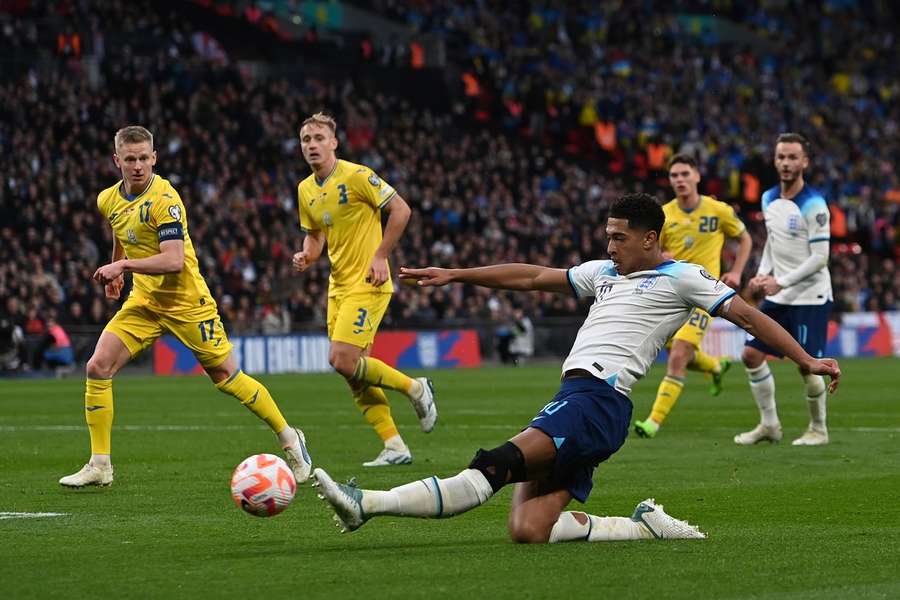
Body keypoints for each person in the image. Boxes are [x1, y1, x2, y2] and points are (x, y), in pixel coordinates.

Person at [313, 193, 840, 544]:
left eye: (619, 237)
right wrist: (458, 274)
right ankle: (641, 529)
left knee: (493, 466)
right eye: (608, 236)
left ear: (649, 239)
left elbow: (747, 315)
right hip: (585, 403)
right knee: (527, 528)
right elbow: (532, 277)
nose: (609, 245)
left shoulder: (684, 278)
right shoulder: (603, 273)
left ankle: (367, 505)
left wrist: (806, 359)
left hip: (596, 402)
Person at [59, 126, 312, 488]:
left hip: (187, 302)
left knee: (227, 379)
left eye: (144, 158)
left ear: (154, 158)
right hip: (145, 301)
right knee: (97, 367)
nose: (137, 166)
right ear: (117, 161)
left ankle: (290, 438)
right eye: (129, 159)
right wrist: (117, 267)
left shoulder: (166, 200)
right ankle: (100, 464)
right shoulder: (107, 199)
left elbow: (174, 260)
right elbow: (121, 227)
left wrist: (124, 266)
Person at [292, 113, 436, 467]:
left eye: (318, 138)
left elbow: (401, 210)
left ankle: (416, 389)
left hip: (369, 281)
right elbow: (315, 234)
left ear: (333, 143)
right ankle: (394, 446)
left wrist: (380, 256)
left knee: (341, 359)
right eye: (306, 139)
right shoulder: (305, 190)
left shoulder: (357, 176)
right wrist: (308, 256)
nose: (312, 144)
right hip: (337, 287)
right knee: (353, 371)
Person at [634, 154, 752, 438]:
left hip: (703, 294)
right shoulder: (663, 214)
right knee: (674, 349)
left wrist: (735, 271)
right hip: (669, 294)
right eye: (674, 175)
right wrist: (661, 256)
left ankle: (653, 422)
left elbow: (745, 238)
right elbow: (649, 252)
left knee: (678, 354)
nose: (680, 180)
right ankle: (715, 365)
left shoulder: (717, 210)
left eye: (685, 174)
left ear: (697, 176)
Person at [735, 133, 834, 446]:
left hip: (811, 296)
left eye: (793, 157)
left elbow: (821, 257)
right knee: (751, 354)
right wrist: (763, 275)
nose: (786, 163)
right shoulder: (768, 198)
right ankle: (770, 425)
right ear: (775, 161)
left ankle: (818, 429)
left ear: (804, 162)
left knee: (808, 367)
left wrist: (782, 280)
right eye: (781, 157)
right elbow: (773, 245)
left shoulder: (815, 205)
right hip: (780, 295)